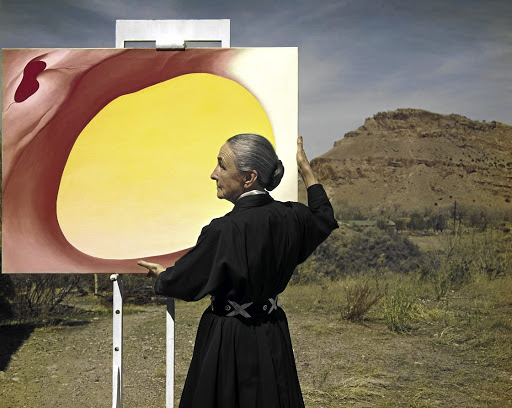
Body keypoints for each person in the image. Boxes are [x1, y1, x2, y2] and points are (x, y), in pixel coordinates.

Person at [138, 134, 338, 408]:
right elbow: (324, 217)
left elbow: (184, 281)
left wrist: (162, 277)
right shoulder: (293, 217)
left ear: (249, 178)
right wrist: (306, 171)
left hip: (229, 337)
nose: (213, 174)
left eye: (222, 165)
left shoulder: (223, 230)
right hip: (273, 331)